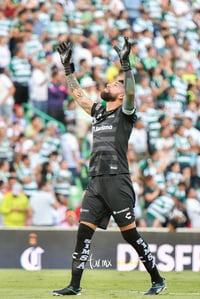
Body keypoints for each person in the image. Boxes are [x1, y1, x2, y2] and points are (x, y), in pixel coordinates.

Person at [53, 37, 166, 296]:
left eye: (114, 84)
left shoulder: (125, 112)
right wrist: (67, 68)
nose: (108, 84)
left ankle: (157, 280)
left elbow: (132, 91)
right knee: (83, 233)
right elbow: (78, 94)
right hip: (96, 181)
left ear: (121, 92)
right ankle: (74, 286)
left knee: (130, 235)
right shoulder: (99, 112)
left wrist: (126, 66)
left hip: (117, 180)